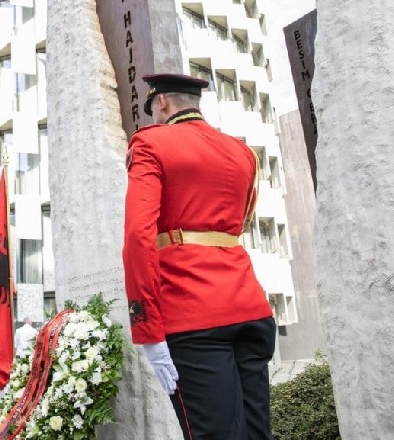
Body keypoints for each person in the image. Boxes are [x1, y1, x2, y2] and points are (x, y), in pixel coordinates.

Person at [122, 73, 276, 439]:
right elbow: (238, 224)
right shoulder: (242, 152)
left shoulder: (151, 142)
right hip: (250, 306)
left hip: (193, 314)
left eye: (153, 109)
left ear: (162, 103)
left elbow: (137, 236)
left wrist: (146, 327)